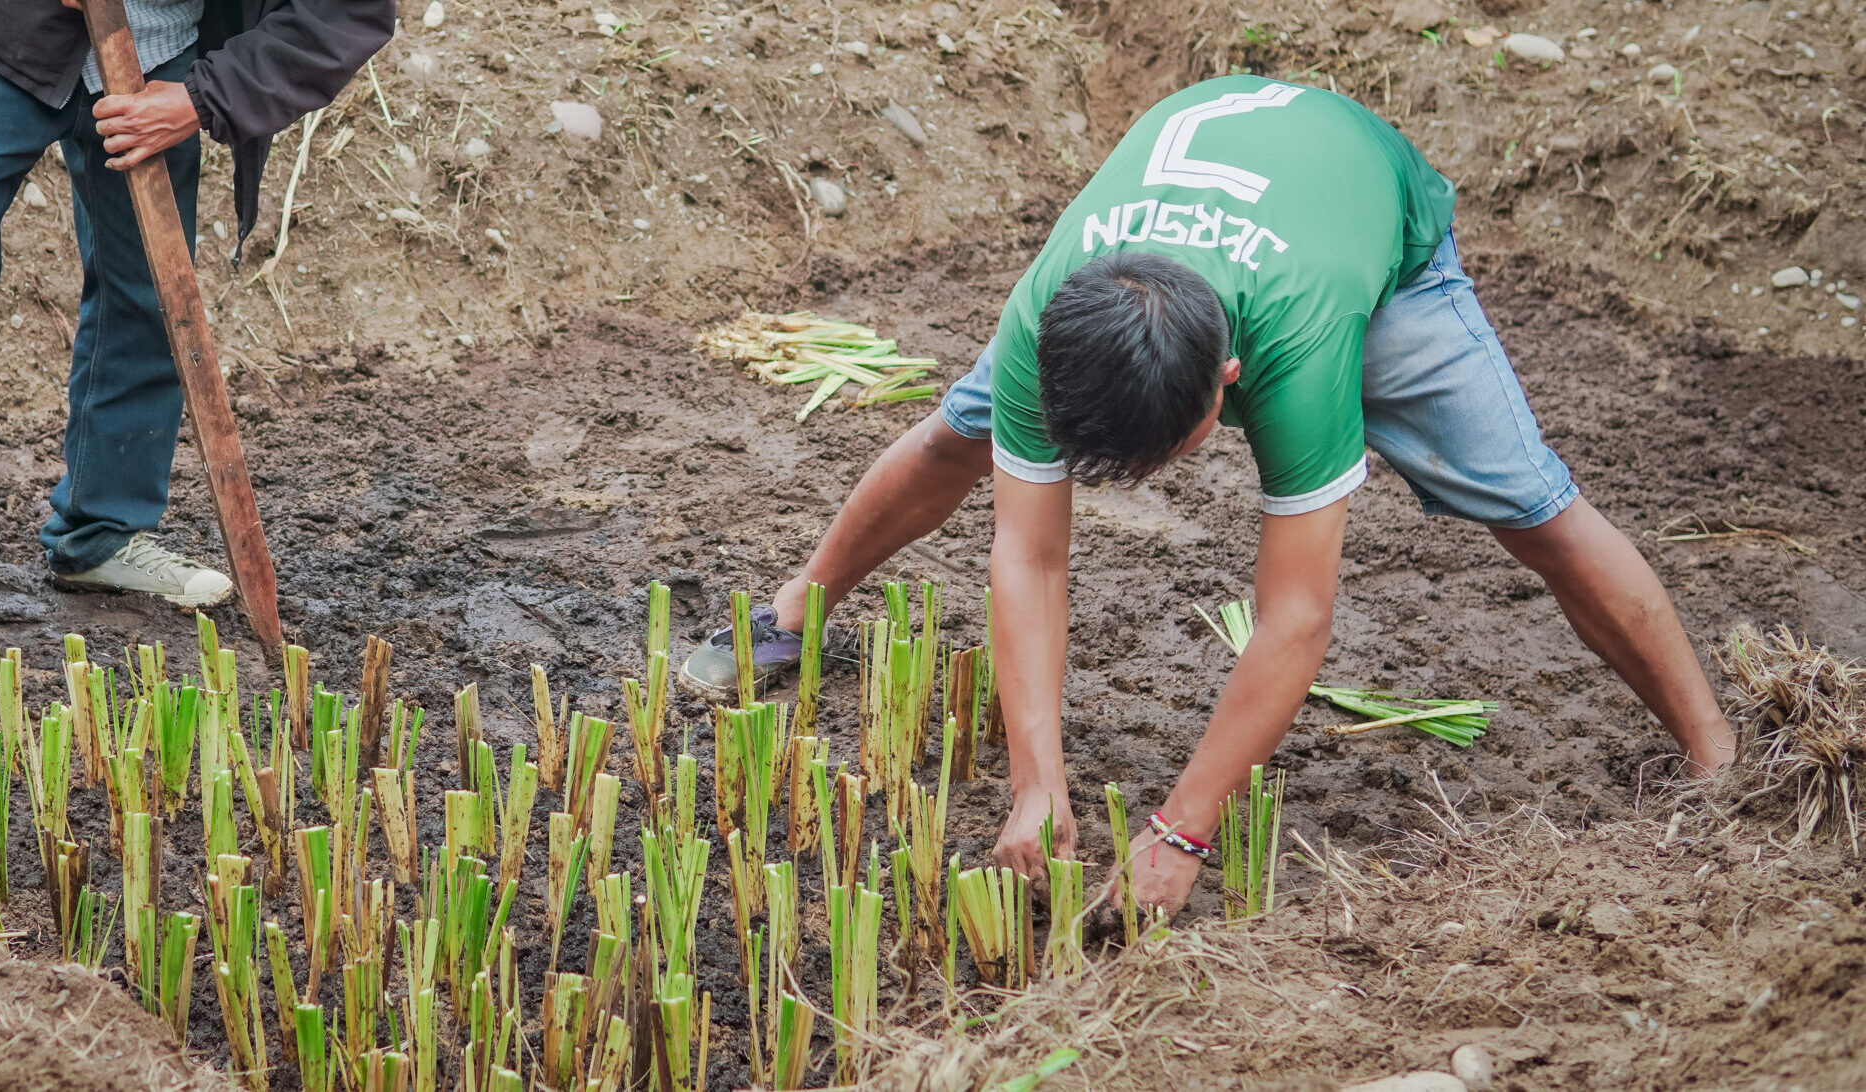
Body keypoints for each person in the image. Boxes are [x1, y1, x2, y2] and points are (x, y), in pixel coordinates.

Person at [677, 75, 1738, 914]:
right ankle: (791, 612)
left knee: (1533, 510)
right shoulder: (1044, 314)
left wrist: (1182, 828)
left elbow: (1295, 614)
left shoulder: (1305, 346)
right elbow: (1030, 554)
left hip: (1363, 216)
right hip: (1208, 177)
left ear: (1228, 392)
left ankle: (1716, 760)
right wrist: (1035, 784)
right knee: (962, 434)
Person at [0, 0, 392, 624]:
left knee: (146, 296)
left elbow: (347, 11)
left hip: (158, 55)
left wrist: (200, 97)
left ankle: (103, 533)